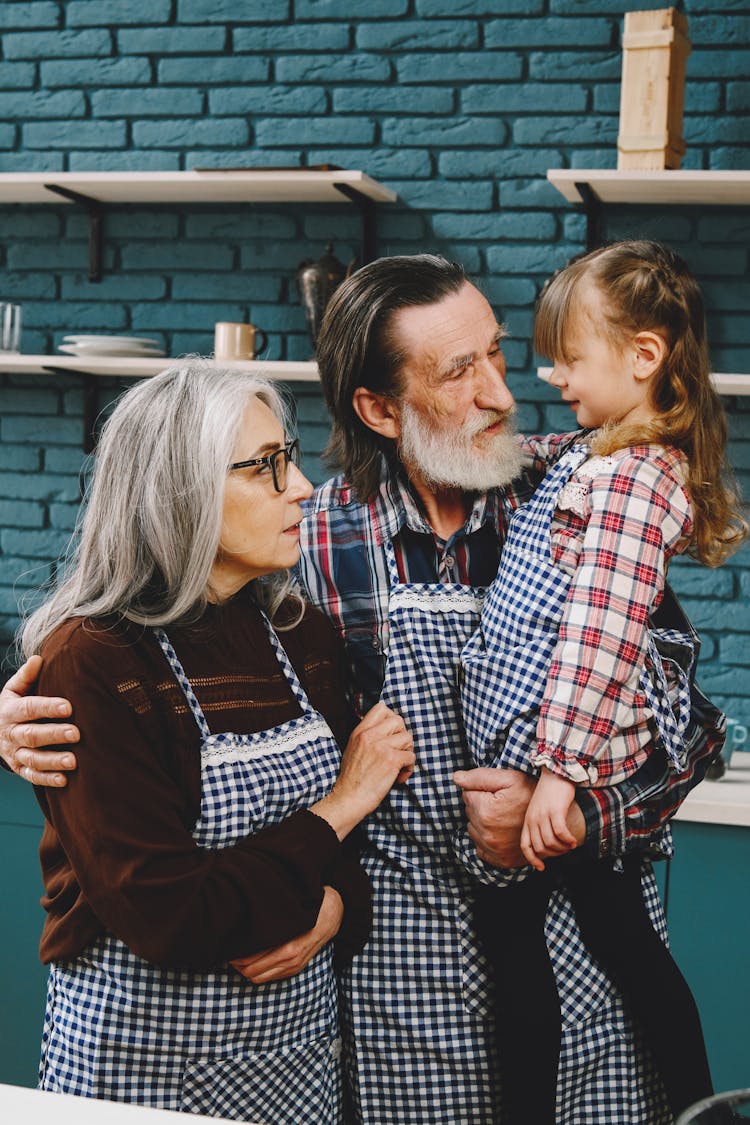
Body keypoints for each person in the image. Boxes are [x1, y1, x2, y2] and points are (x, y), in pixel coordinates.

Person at [0, 256, 726, 1123]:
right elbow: (159, 659)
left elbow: (693, 730)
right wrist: (27, 718)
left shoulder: (585, 496)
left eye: (497, 354)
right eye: (461, 372)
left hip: (587, 984)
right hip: (400, 1012)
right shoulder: (306, 545)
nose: (502, 394)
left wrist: (576, 809)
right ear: (379, 409)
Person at [15, 363, 414, 1124]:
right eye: (267, 468)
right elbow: (171, 916)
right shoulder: (92, 659)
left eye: (289, 457)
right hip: (138, 1071)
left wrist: (333, 905)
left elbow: (358, 857)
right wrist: (341, 803)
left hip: (295, 1063)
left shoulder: (304, 636)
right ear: (181, 491)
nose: (302, 486)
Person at [458, 240, 746, 1123]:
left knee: (555, 946)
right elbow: (529, 453)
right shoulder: (597, 453)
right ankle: (700, 1107)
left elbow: (602, 632)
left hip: (569, 752)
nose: (551, 373)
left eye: (570, 356)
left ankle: (698, 1108)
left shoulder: (636, 479)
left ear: (645, 356)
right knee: (602, 941)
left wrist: (560, 769)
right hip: (547, 747)